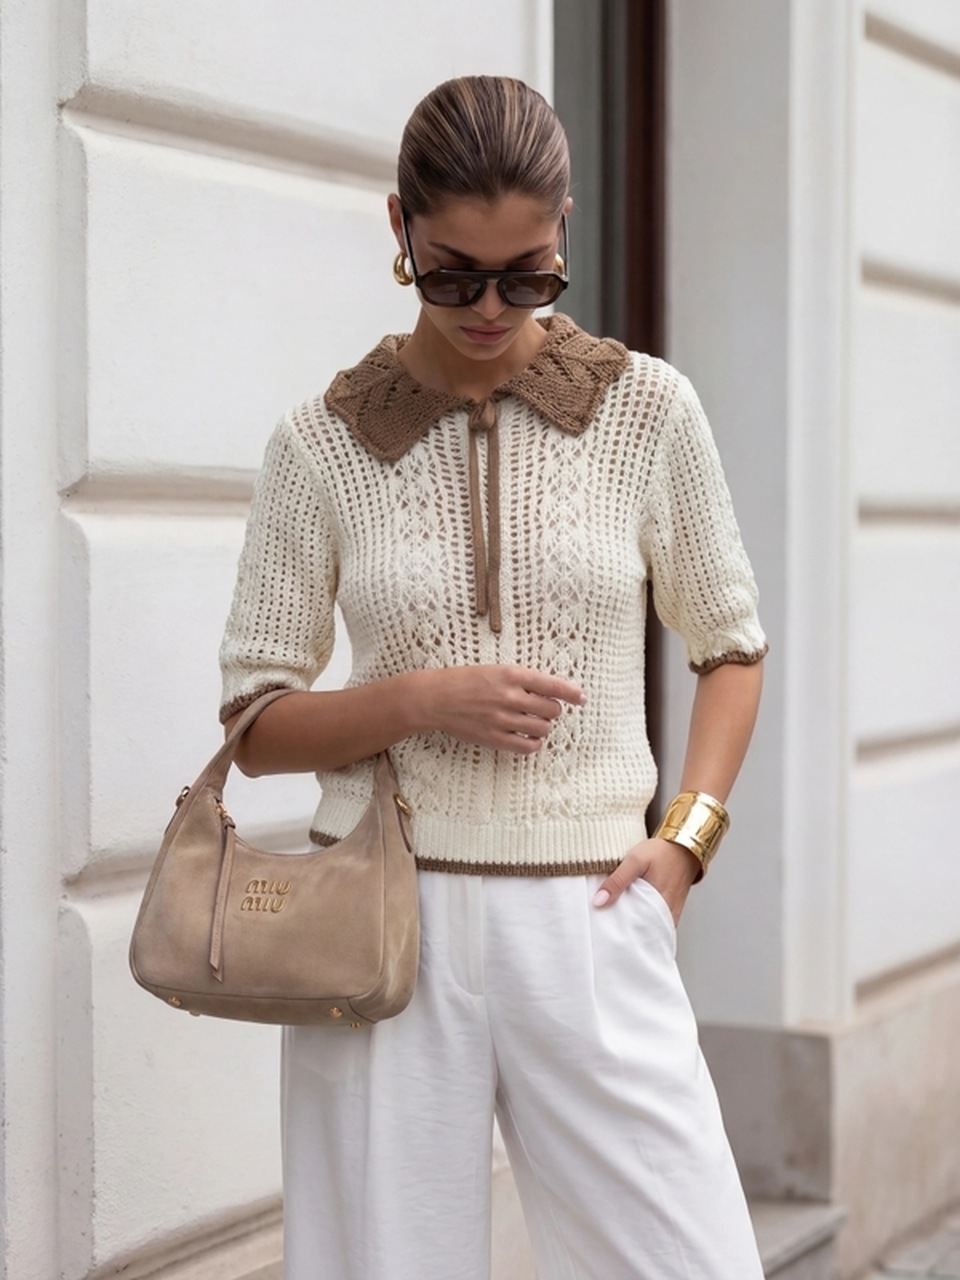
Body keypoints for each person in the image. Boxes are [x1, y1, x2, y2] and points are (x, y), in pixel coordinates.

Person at [219, 75, 768, 1280]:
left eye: (526, 277)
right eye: (454, 274)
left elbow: (731, 645)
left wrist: (685, 842)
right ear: (400, 229)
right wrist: (421, 700)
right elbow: (254, 723)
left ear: (563, 229)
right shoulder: (321, 443)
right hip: (380, 921)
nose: (487, 308)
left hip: (591, 911)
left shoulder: (645, 411)